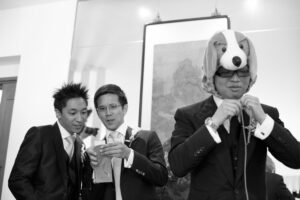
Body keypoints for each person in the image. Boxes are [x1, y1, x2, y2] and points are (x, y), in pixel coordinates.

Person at [168, 29, 300, 200]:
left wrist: (264, 121)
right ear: (212, 75)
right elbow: (178, 166)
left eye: (243, 72)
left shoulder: (266, 113)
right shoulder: (188, 115)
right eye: (226, 72)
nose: (236, 79)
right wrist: (213, 123)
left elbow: (296, 159)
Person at [8, 83, 91, 200]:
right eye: (73, 113)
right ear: (58, 113)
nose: (80, 119)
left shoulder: (79, 144)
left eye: (83, 112)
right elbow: (17, 180)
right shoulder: (39, 135)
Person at [86, 84, 168, 200]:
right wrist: (92, 171)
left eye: (113, 106)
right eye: (102, 108)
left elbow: (161, 178)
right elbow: (94, 196)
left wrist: (129, 155)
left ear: (124, 108)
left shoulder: (147, 137)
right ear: (98, 113)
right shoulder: (98, 149)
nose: (108, 113)